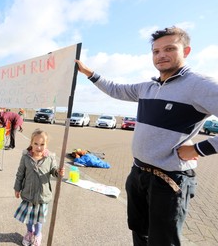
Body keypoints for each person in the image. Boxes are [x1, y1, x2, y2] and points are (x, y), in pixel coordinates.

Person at [75, 26, 218, 245]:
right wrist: (89, 73)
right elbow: (115, 89)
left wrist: (198, 149)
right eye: (156, 51)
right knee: (139, 232)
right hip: (138, 174)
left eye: (169, 48)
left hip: (169, 180)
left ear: (186, 51)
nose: (161, 55)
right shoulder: (148, 87)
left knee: (162, 241)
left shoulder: (200, 85)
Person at [14, 129, 64, 246]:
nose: (39, 147)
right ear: (31, 143)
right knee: (29, 218)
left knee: (39, 219)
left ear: (46, 145)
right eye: (36, 144)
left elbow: (54, 171)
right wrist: (17, 188)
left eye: (42, 144)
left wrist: (58, 172)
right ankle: (29, 232)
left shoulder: (50, 158)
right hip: (28, 194)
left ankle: (37, 234)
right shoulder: (26, 158)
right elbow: (20, 174)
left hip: (43, 196)